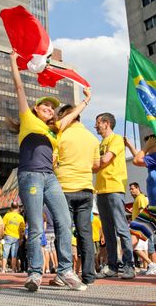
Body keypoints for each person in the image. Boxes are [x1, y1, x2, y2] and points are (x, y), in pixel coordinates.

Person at [9, 51, 91, 291]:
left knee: (65, 222)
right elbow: (19, 89)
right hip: (30, 176)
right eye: (45, 105)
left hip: (51, 178)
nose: (49, 107)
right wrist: (14, 61)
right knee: (35, 226)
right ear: (36, 109)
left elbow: (70, 116)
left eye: (52, 107)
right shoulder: (27, 119)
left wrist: (86, 100)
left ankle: (65, 271)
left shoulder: (55, 130)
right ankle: (34, 274)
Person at [54, 105, 100, 286]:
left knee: (63, 231)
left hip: (65, 188)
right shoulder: (92, 138)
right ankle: (89, 276)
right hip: (86, 190)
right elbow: (96, 165)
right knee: (85, 234)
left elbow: (53, 161)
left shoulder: (62, 135)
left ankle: (64, 272)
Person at [94, 113, 135, 279]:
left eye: (98, 123)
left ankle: (129, 266)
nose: (96, 126)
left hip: (114, 188)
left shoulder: (116, 139)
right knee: (108, 232)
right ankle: (112, 266)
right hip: (101, 191)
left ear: (106, 123)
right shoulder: (99, 143)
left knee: (122, 228)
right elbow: (98, 163)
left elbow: (104, 161)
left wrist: (88, 165)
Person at [125, 135, 156, 275]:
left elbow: (138, 160)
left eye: (150, 145)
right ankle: (126, 262)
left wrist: (146, 146)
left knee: (137, 233)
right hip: (153, 208)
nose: (147, 149)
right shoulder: (152, 161)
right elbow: (139, 158)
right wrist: (130, 145)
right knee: (135, 232)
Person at [2, 201, 25, 273]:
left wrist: (2, 236)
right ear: (18, 208)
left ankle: (3, 269)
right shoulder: (20, 217)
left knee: (5, 253)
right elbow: (22, 230)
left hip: (8, 236)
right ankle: (13, 269)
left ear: (11, 207)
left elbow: (2, 226)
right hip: (16, 237)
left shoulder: (7, 215)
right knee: (14, 255)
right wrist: (21, 239)